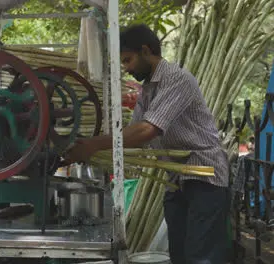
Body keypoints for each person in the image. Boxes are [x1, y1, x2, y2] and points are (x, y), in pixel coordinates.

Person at [65, 24, 230, 264]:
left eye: (128, 60)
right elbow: (132, 135)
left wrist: (93, 144)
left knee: (201, 257)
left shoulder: (176, 79)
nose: (126, 68)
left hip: (205, 176)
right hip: (177, 180)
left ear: (145, 50)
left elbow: (147, 129)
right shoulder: (148, 89)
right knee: (180, 255)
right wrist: (93, 152)